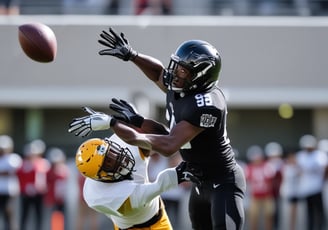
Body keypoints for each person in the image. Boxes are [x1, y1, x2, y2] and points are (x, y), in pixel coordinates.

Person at [69, 27, 246, 230]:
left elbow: (169, 144)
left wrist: (114, 124)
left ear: (199, 76)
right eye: (176, 66)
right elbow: (158, 74)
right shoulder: (183, 87)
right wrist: (132, 56)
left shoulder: (208, 105)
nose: (173, 73)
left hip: (222, 181)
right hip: (199, 181)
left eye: (182, 70)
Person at [73, 133, 200, 230]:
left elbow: (152, 136)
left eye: (111, 152)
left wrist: (135, 122)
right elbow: (149, 191)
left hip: (157, 213)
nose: (116, 158)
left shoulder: (123, 142)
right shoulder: (100, 195)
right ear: (101, 176)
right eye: (108, 163)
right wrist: (175, 175)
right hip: (132, 226)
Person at [16, 139, 50, 230]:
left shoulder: (44, 163)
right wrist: (25, 187)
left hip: (39, 193)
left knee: (39, 214)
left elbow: (47, 178)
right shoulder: (24, 164)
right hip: (26, 193)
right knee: (24, 214)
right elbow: (20, 177)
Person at [296, 134, 328, 230]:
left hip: (318, 187)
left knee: (319, 210)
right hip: (306, 188)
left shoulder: (319, 155)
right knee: (309, 211)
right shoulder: (300, 156)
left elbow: (325, 168)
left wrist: (323, 181)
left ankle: (321, 226)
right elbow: (299, 170)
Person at [0, 135, 22, 230]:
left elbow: (14, 171)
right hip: (1, 190)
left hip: (10, 191)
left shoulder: (14, 158)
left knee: (9, 212)